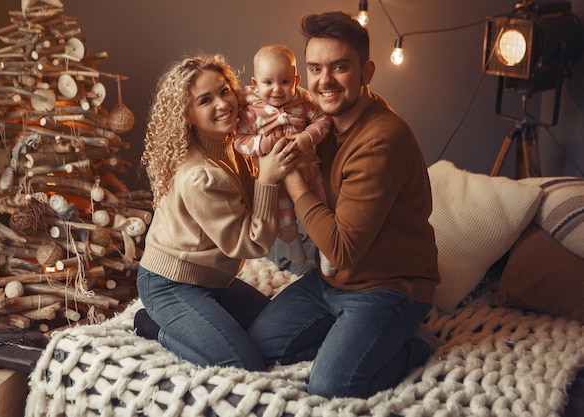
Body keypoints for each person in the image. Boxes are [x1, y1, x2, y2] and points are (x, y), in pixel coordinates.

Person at [248, 12, 441, 398]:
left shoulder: (378, 142)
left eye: (340, 67)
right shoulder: (323, 121)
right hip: (331, 281)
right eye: (315, 68)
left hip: (386, 286)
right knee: (260, 348)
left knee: (332, 384)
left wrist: (287, 172)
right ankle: (349, 337)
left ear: (366, 72)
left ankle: (416, 342)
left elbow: (340, 249)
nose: (325, 81)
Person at [134, 54, 299, 371]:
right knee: (243, 362)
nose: (222, 104)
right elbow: (250, 245)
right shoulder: (201, 176)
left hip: (213, 280)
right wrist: (267, 178)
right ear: (188, 114)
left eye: (225, 91)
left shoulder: (234, 145)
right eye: (205, 100)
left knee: (275, 338)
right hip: (169, 283)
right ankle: (154, 326)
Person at [235, 44, 336, 276]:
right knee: (285, 220)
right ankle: (294, 247)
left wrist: (306, 137)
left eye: (284, 82)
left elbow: (322, 121)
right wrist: (265, 143)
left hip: (310, 170)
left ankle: (326, 251)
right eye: (268, 82)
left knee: (322, 207)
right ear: (255, 83)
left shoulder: (303, 104)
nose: (277, 90)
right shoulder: (251, 112)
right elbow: (240, 140)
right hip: (278, 179)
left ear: (296, 80)